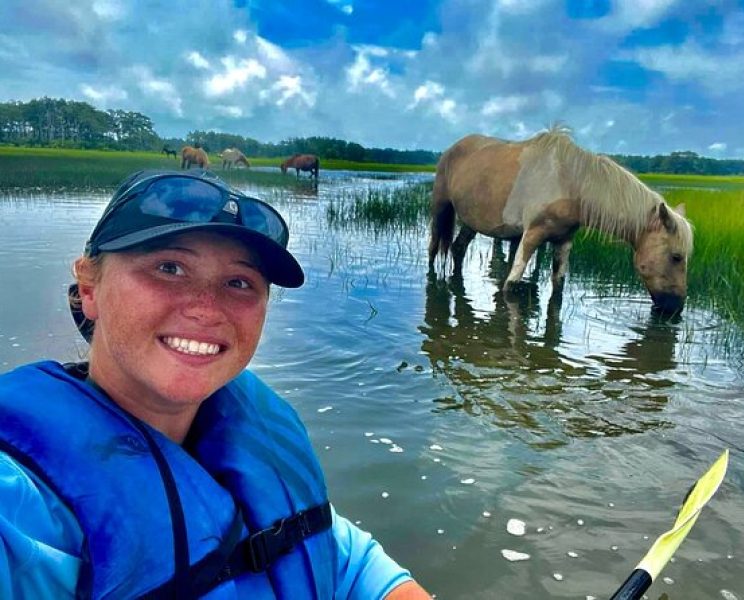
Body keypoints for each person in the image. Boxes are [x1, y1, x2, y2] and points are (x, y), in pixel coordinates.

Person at [0, 169, 431, 599]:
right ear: (89, 287)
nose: (207, 309)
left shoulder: (255, 443)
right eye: (170, 267)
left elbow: (348, 564)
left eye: (239, 282)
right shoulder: (21, 502)